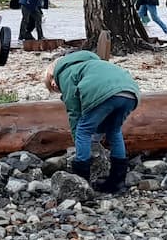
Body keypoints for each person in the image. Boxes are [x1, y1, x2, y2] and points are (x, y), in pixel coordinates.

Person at [45, 50, 141, 194]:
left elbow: (74, 112)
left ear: (52, 77)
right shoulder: (93, 64)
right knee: (114, 131)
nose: (57, 89)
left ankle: (81, 181)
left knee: (83, 130)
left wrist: (76, 138)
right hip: (131, 91)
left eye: (54, 88)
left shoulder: (65, 73)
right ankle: (117, 181)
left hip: (106, 93)